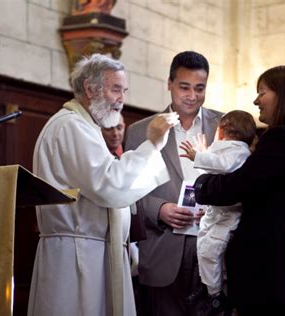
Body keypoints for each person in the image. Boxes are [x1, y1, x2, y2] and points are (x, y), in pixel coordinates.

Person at [28, 54, 179, 316]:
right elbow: (109, 184)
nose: (122, 98)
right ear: (90, 88)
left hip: (91, 251)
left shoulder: (85, 127)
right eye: (115, 89)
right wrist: (152, 144)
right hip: (78, 257)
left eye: (124, 90)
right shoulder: (71, 126)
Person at [194, 64, 285, 316]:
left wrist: (201, 185)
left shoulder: (282, 138)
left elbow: (239, 185)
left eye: (262, 92)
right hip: (284, 262)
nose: (256, 100)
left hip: (271, 266)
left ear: (284, 94)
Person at [125, 51, 223, 316]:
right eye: (184, 87)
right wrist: (159, 210)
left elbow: (242, 184)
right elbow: (126, 194)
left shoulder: (224, 127)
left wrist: (218, 207)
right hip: (162, 250)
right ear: (169, 83)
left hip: (214, 248)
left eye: (199, 88)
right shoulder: (139, 132)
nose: (192, 95)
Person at [180, 110, 257, 315]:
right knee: (204, 247)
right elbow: (213, 175)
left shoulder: (238, 150)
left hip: (228, 217)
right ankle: (207, 288)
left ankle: (216, 295)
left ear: (222, 131)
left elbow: (224, 165)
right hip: (215, 214)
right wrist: (204, 157)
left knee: (212, 251)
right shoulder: (223, 150)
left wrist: (200, 156)